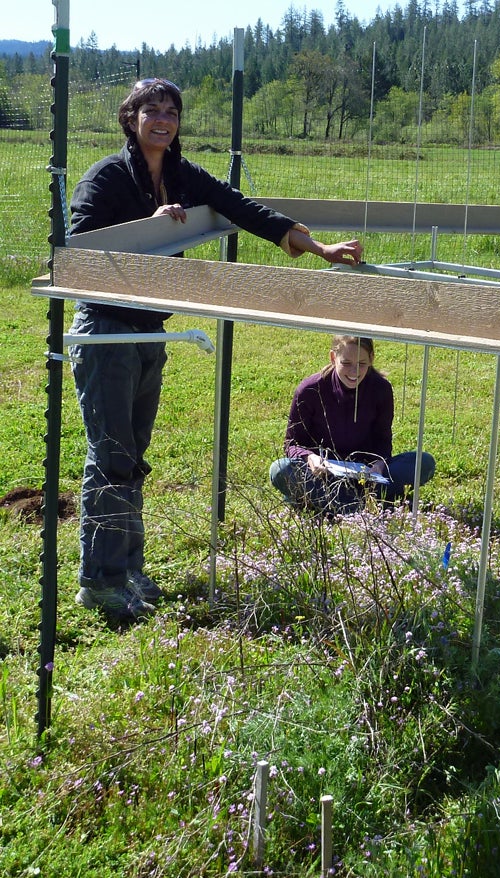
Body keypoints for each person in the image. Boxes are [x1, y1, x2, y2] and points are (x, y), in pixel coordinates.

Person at [68, 77, 363, 623]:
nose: (163, 119)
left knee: (131, 455)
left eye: (172, 111)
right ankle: (99, 580)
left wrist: (317, 246)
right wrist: (145, 229)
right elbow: (77, 248)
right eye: (151, 110)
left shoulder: (179, 174)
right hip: (106, 332)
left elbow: (241, 207)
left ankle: (127, 568)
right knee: (110, 456)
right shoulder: (106, 177)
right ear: (130, 119)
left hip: (149, 329)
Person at [270, 335, 435, 514]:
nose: (354, 371)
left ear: (371, 358)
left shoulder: (381, 389)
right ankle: (365, 507)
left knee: (423, 462)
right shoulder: (310, 390)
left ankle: (331, 503)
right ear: (333, 358)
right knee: (280, 469)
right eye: (346, 363)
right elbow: (292, 443)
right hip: (323, 474)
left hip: (366, 476)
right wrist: (310, 458)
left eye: (362, 364)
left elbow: (383, 440)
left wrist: (379, 464)